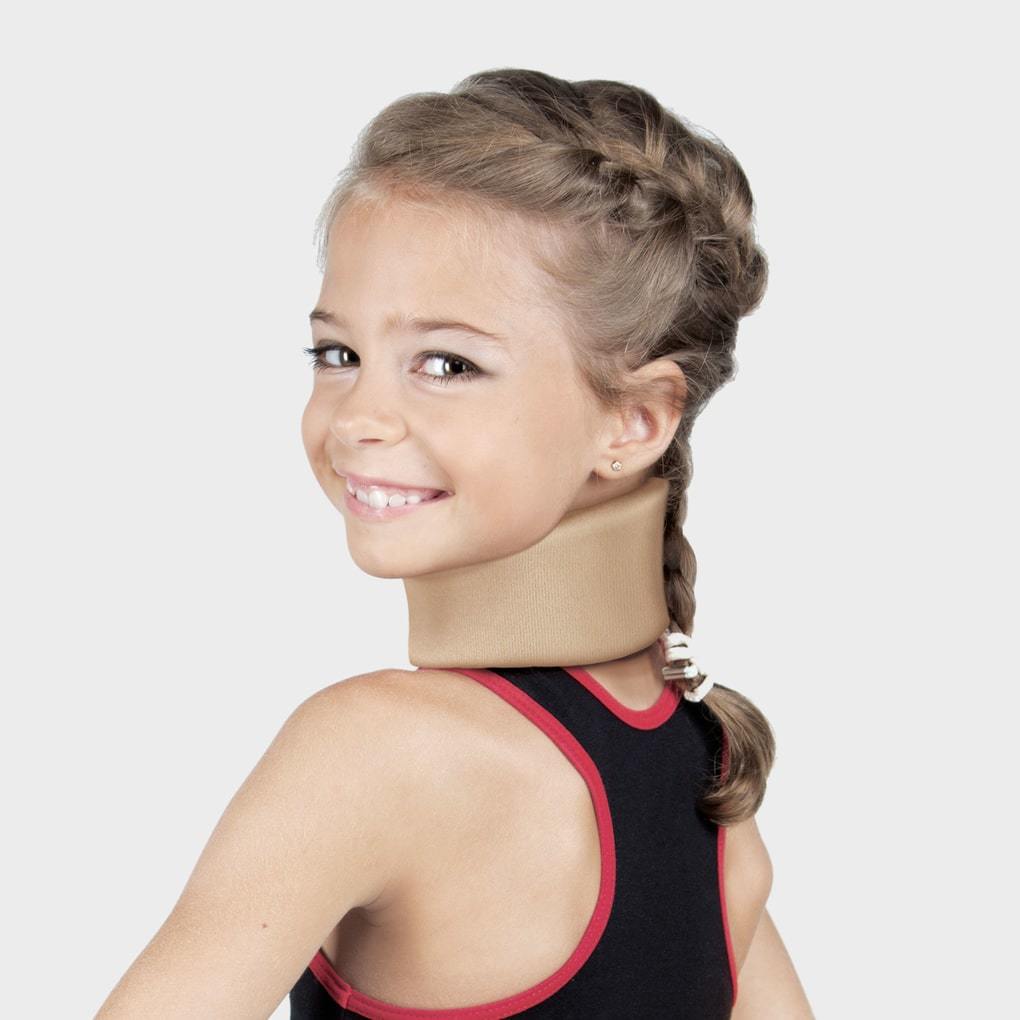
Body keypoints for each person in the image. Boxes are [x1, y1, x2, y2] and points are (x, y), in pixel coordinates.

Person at [96, 68, 813, 1018]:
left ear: (636, 421)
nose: (360, 416)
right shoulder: (708, 771)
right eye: (338, 354)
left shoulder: (374, 749)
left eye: (447, 363)